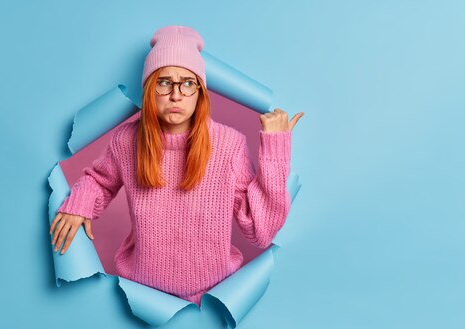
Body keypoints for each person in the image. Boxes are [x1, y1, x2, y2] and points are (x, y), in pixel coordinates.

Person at [48, 25, 304, 305]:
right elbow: (99, 180)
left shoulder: (229, 145)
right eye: (164, 82)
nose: (176, 95)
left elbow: (260, 231)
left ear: (199, 93)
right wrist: (79, 204)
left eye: (187, 83)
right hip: (141, 295)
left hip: (211, 299)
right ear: (150, 90)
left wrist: (276, 147)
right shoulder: (127, 141)